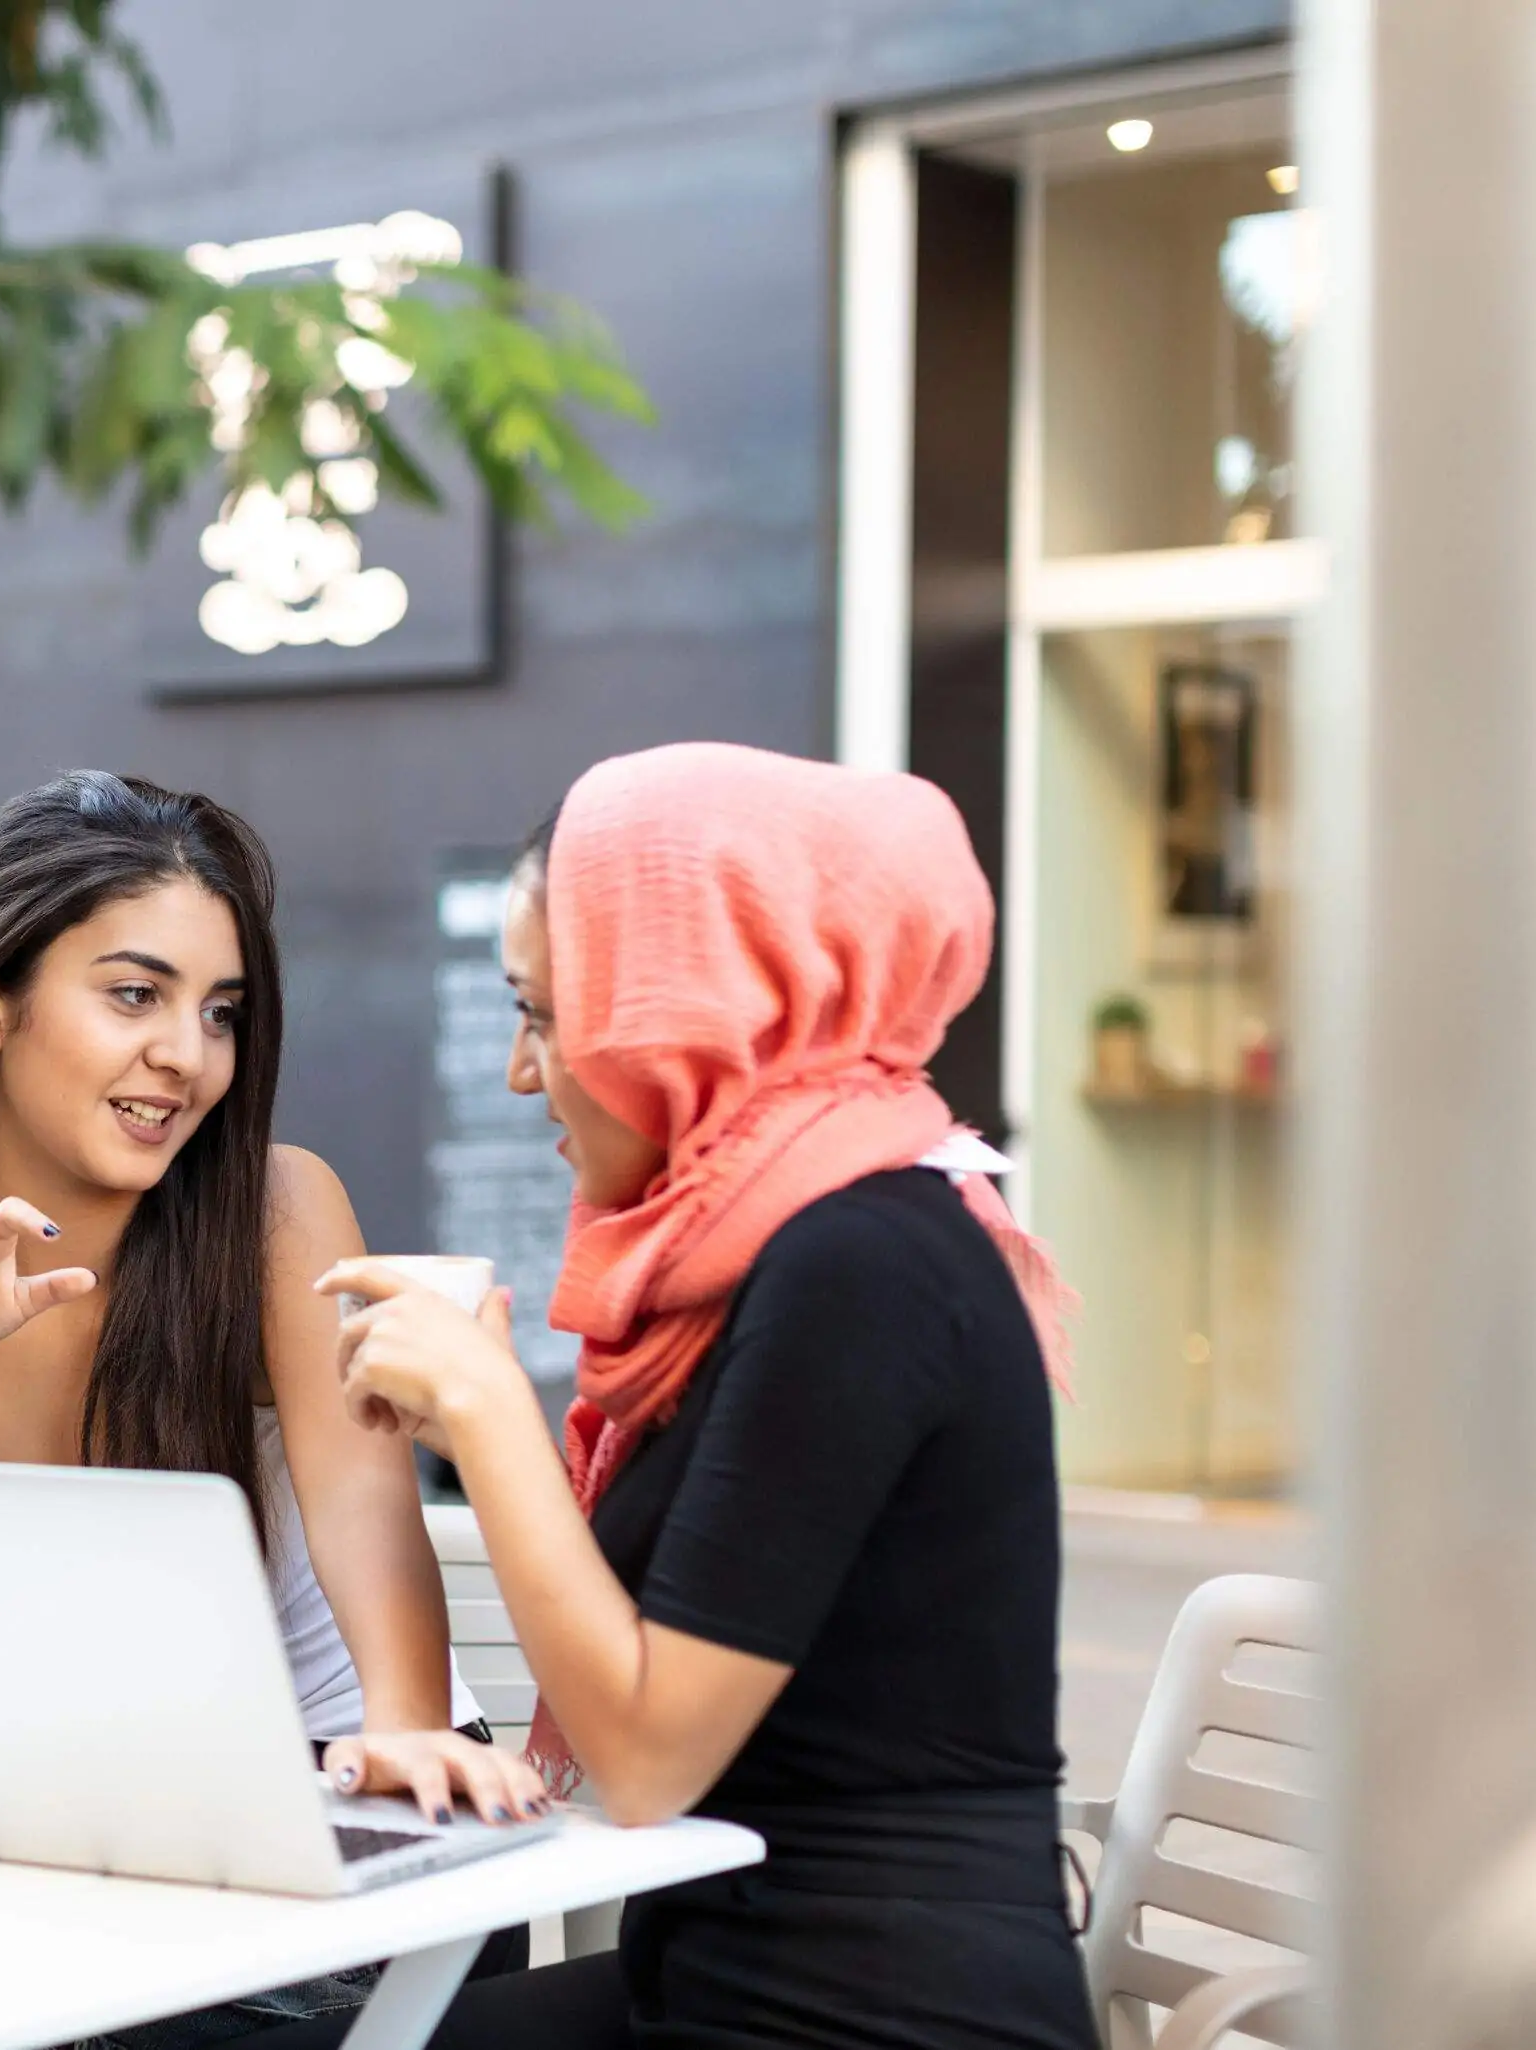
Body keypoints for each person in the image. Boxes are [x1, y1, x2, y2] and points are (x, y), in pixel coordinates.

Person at [0, 771, 546, 2042]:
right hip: (41, 1856)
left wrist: (401, 1769)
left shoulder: (273, 1209)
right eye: (134, 994)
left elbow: (372, 1530)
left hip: (317, 1831)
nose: (187, 1057)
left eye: (221, 1012)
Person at [275, 742, 1093, 2049]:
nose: (521, 1072)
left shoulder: (863, 1259)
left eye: (544, 1013)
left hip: (873, 2013)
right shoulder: (778, 1249)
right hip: (723, 1975)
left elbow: (648, 1759)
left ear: (694, 1002)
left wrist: (490, 1419)